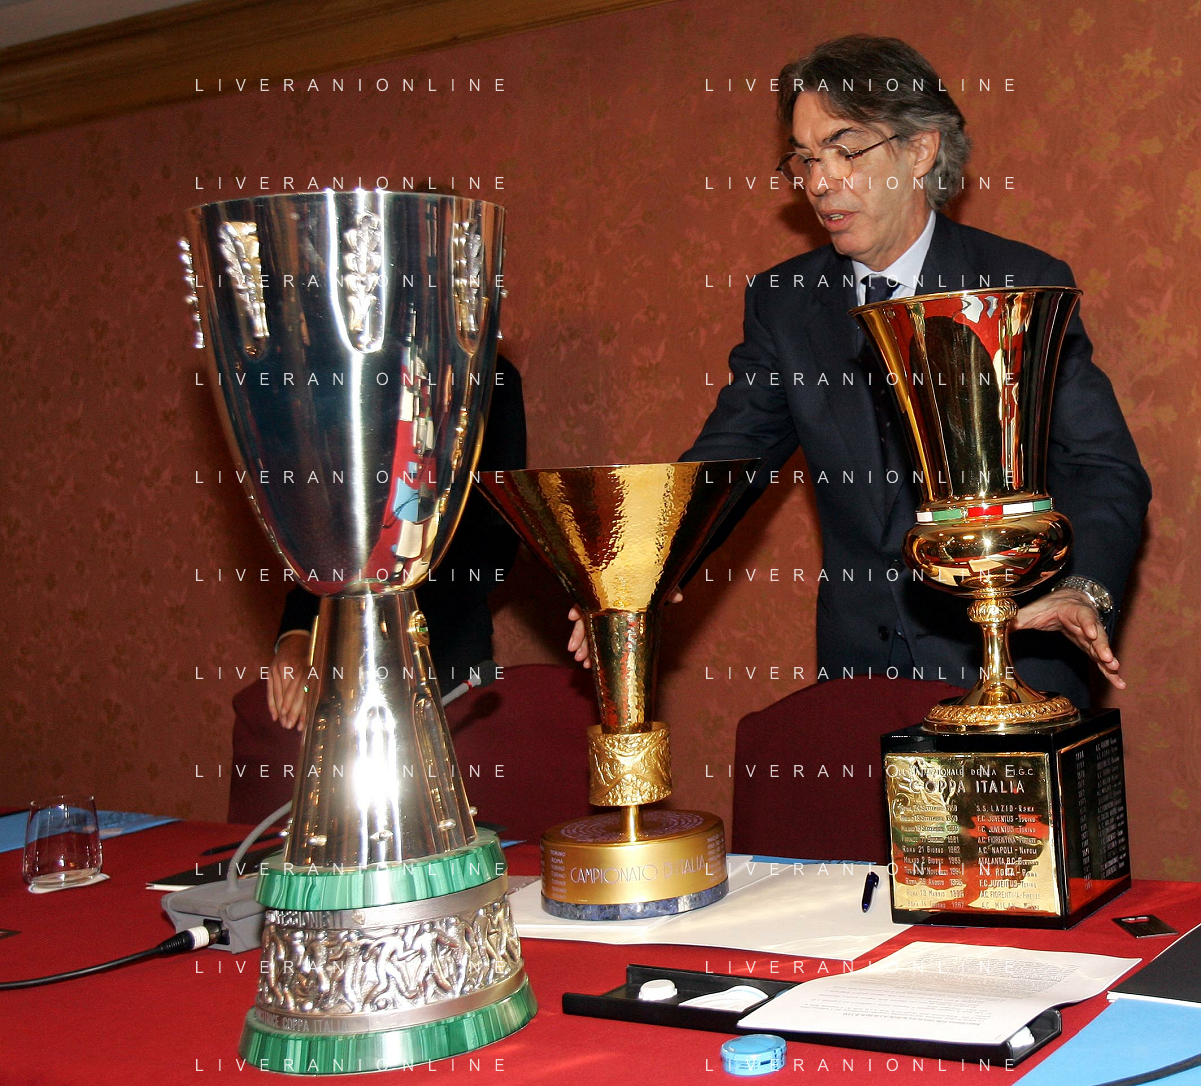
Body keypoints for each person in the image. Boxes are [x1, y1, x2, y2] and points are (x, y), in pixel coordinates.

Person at [568, 35, 1150, 709]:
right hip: (858, 676)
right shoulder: (785, 303)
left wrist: (1083, 588)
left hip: (1014, 661)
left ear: (919, 150)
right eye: (806, 159)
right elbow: (728, 460)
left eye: (844, 151)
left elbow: (1103, 466)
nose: (818, 183)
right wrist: (634, 573)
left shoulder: (1019, 282)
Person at [265, 354, 527, 731]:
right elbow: (329, 528)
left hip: (444, 657)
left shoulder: (493, 377)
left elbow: (493, 542)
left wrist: (388, 625)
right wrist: (300, 633)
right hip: (336, 656)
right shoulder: (345, 366)